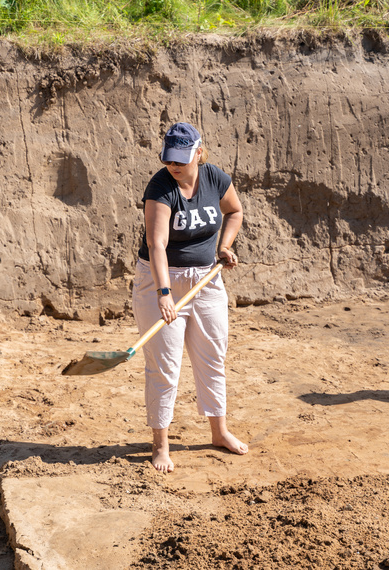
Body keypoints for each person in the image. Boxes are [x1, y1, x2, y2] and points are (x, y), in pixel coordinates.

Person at [133, 122, 248, 472]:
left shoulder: (214, 178)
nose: (174, 166)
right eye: (170, 159)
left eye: (182, 159)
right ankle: (161, 446)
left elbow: (235, 211)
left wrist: (224, 246)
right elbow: (157, 244)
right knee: (165, 368)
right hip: (161, 280)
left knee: (212, 356)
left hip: (207, 282)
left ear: (199, 152)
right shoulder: (160, 187)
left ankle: (219, 431)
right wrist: (164, 293)